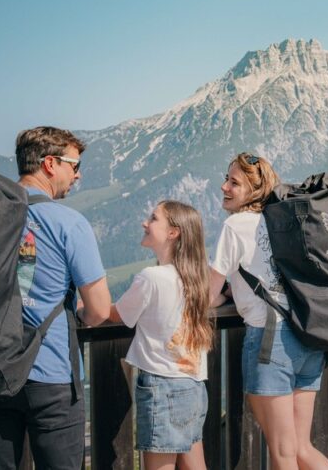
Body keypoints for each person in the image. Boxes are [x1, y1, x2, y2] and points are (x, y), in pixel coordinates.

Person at [0, 126, 112, 469]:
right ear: (50, 164)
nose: (77, 175)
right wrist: (78, 315)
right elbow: (100, 310)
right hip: (50, 375)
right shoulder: (68, 223)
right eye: (74, 165)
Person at [209, 153, 328, 470]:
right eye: (226, 178)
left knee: (282, 453)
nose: (224, 186)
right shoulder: (282, 220)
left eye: (234, 182)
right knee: (301, 448)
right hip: (308, 334)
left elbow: (207, 296)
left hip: (270, 341)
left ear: (254, 189)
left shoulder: (235, 226)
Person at [108, 200, 213, 470]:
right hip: (193, 386)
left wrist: (87, 307)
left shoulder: (151, 277)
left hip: (161, 387)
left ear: (173, 232)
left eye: (153, 219)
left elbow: (117, 314)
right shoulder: (195, 277)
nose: (145, 223)